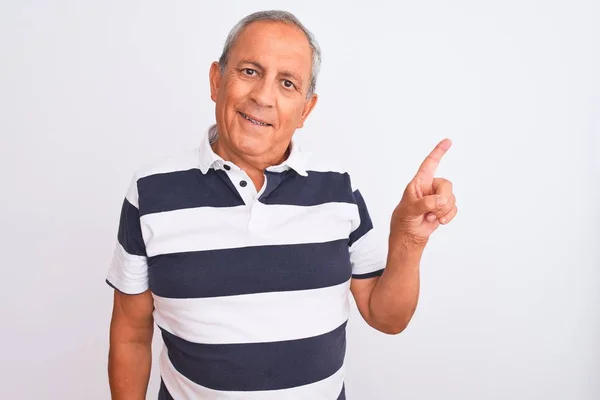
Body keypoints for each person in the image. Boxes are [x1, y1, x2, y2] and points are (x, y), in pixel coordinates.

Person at [106, 9, 457, 400]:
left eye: (287, 83)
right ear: (216, 80)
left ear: (305, 110)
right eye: (250, 71)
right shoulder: (151, 191)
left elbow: (387, 318)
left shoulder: (338, 188)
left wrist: (409, 240)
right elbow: (131, 334)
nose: (263, 96)